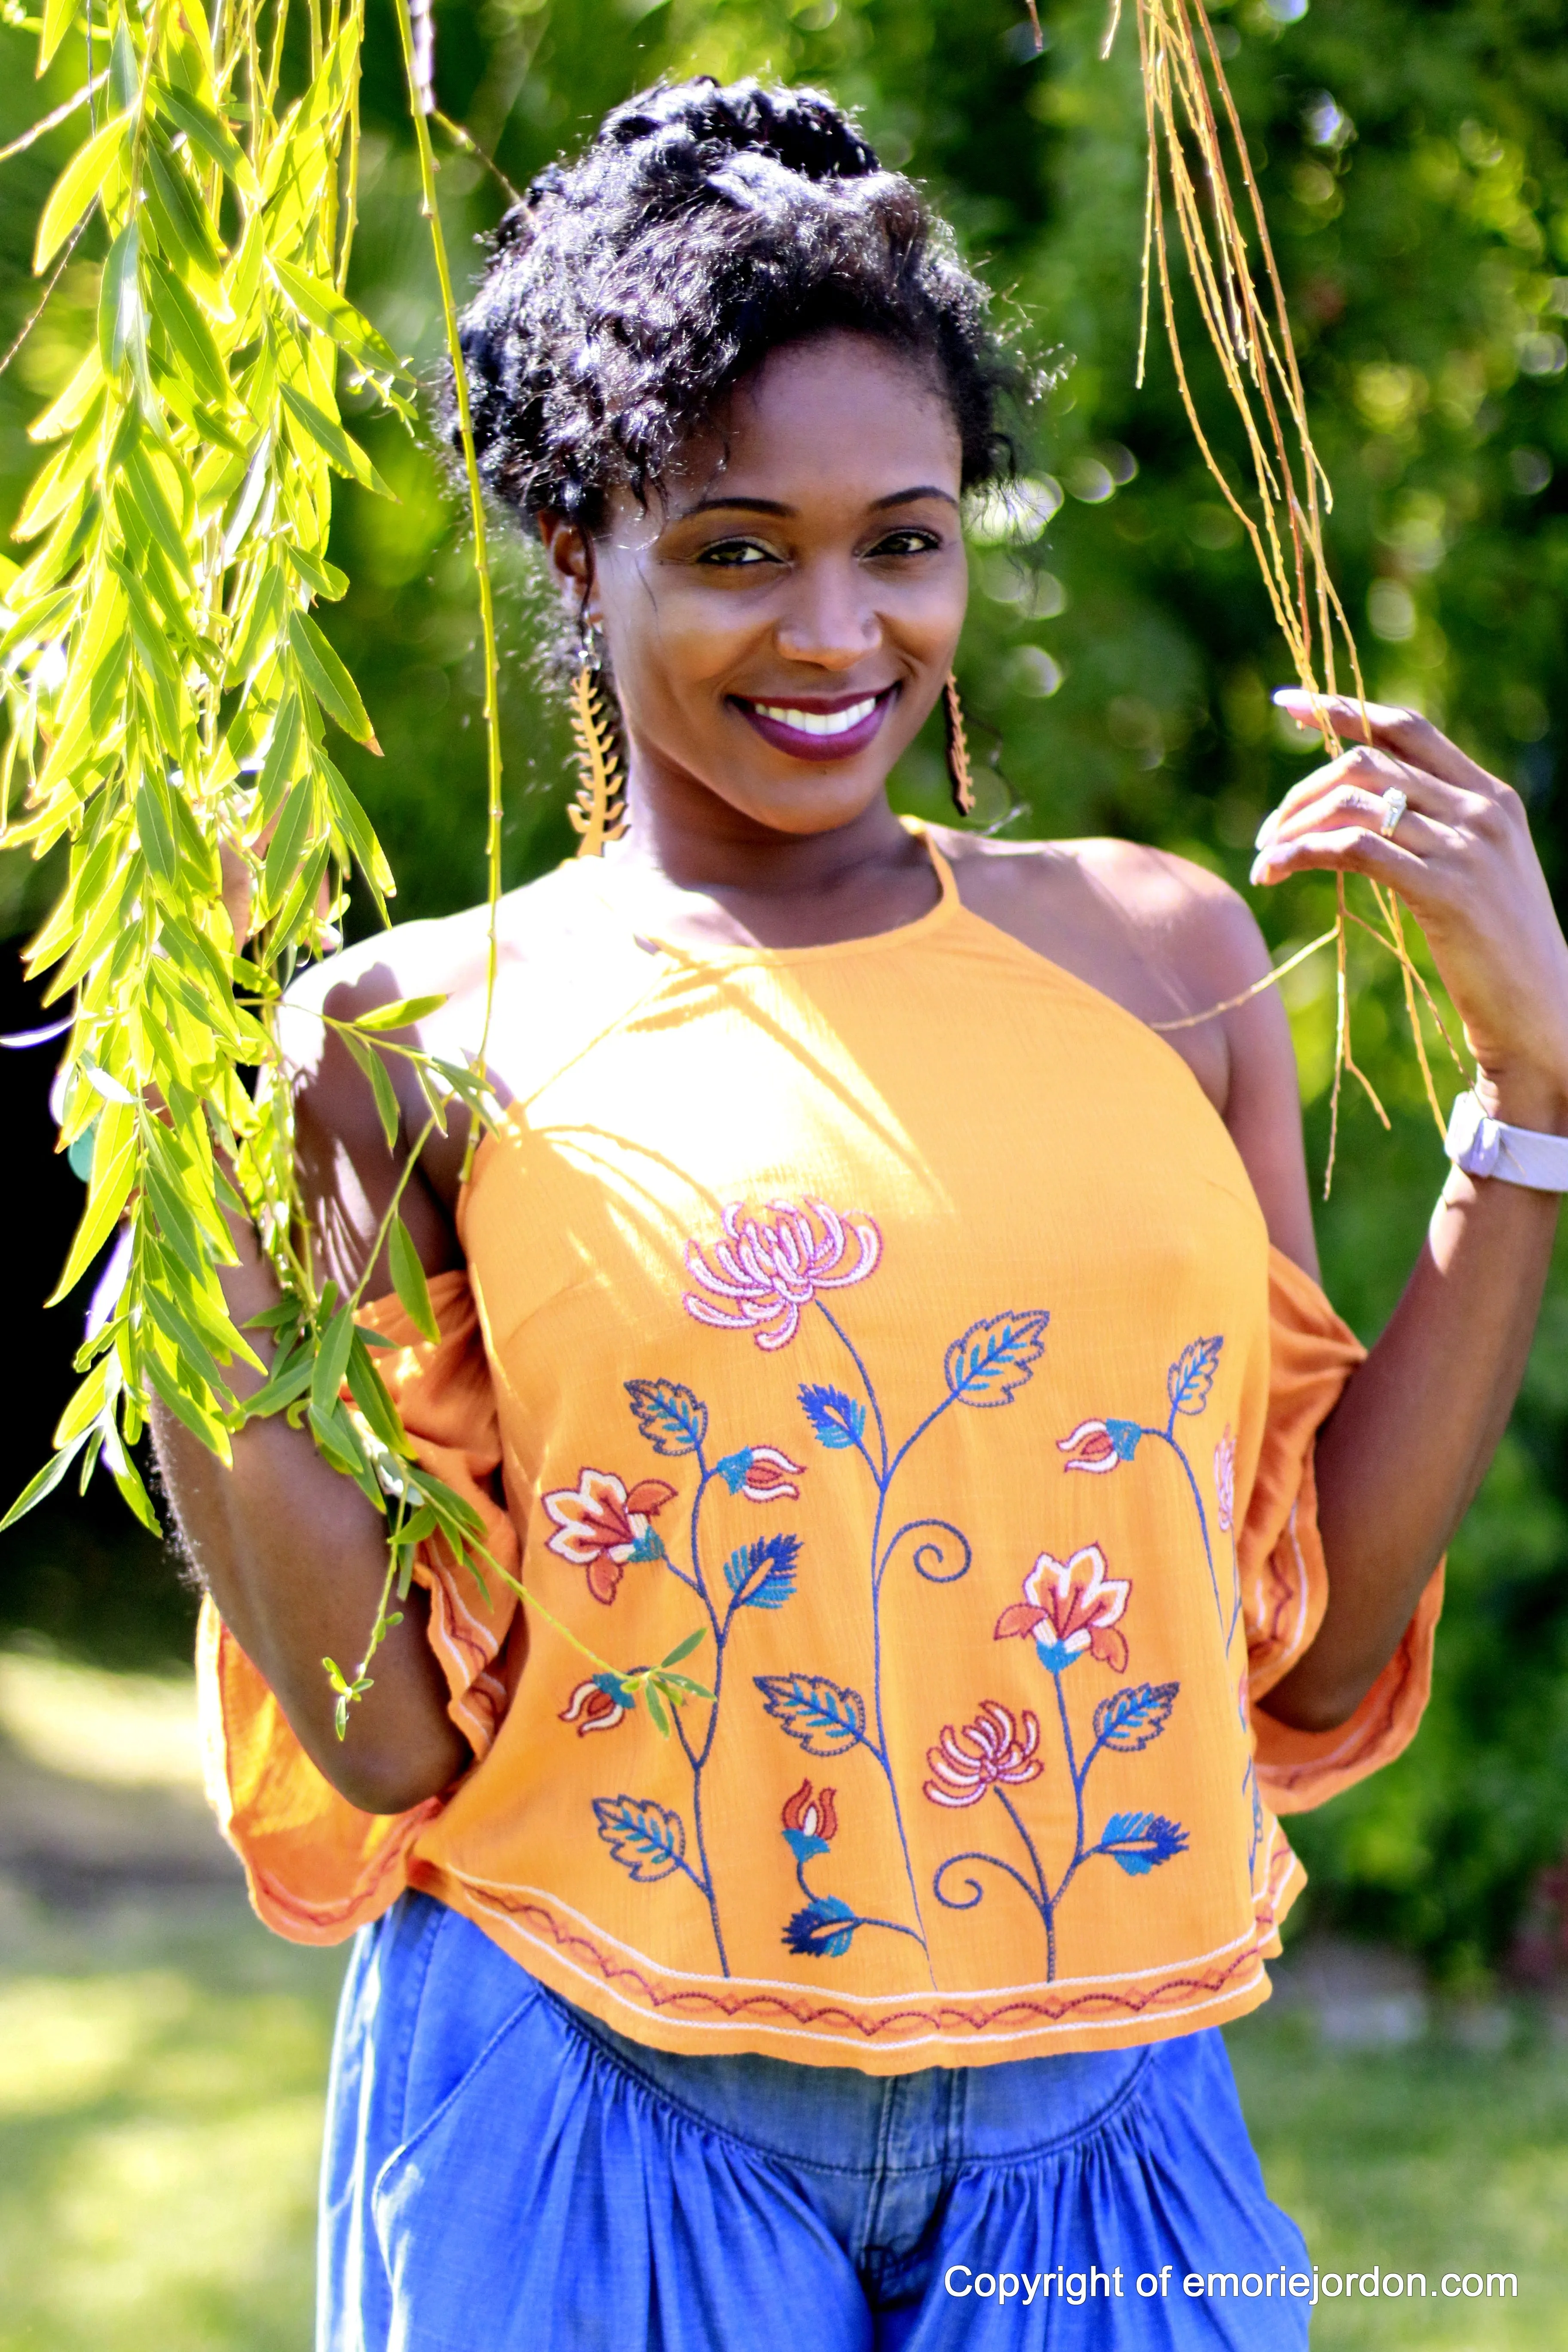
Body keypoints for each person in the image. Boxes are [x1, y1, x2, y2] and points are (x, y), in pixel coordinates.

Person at [156, 76, 1568, 2352]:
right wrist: (179, 1212)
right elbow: (392, 1738)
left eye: (901, 540)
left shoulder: (1166, 957)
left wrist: (1535, 1092)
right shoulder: (412, 1035)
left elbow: (1299, 1630)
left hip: (1111, 2116)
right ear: (568, 543)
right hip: (584, 2090)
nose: (838, 633)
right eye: (736, 548)